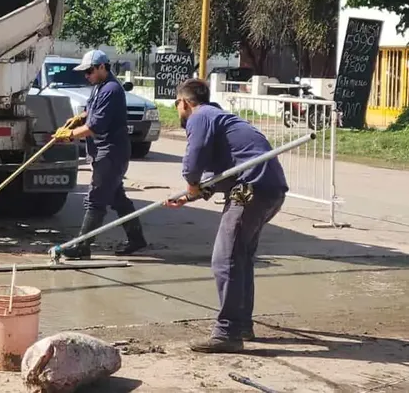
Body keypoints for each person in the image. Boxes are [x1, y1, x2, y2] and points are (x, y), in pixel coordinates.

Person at [164, 78, 288, 353]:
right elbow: (222, 175)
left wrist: (190, 184)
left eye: (177, 105)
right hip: (270, 188)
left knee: (225, 259)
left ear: (183, 102)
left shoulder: (200, 117)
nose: (178, 110)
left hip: (250, 189)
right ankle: (241, 325)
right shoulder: (221, 119)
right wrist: (189, 195)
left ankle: (227, 333)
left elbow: (193, 162)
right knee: (240, 257)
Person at [54, 49, 147, 258]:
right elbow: (91, 112)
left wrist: (70, 134)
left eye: (89, 71)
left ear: (102, 67)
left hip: (111, 153)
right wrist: (79, 117)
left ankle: (82, 245)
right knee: (117, 198)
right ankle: (136, 238)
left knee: (95, 199)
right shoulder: (100, 87)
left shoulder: (111, 90)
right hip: (103, 151)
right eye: (85, 72)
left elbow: (95, 126)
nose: (86, 76)